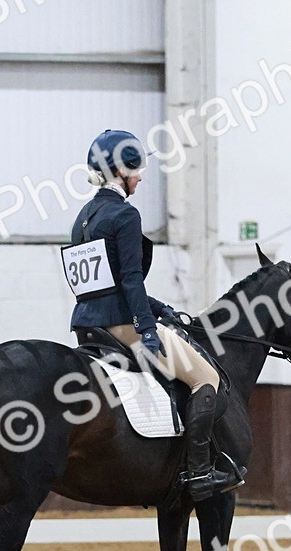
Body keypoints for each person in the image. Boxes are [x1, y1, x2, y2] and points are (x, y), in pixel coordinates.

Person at [68, 129, 241, 501]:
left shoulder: (84, 217)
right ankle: (198, 474)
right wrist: (148, 328)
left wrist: (160, 309)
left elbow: (107, 284)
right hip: (122, 328)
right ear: (121, 170)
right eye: (138, 169)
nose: (142, 177)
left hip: (87, 327)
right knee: (206, 378)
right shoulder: (124, 215)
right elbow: (129, 280)